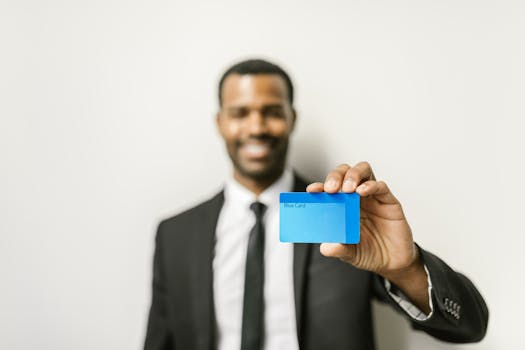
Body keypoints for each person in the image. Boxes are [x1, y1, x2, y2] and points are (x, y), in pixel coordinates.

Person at [144, 59, 488, 350]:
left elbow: (470, 326)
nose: (256, 126)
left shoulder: (342, 217)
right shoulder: (176, 235)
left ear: (292, 118)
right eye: (240, 113)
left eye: (271, 111)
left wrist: (405, 268)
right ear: (220, 122)